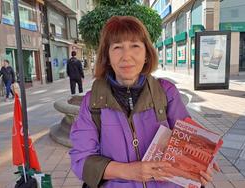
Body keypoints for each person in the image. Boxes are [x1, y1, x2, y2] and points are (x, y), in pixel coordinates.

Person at [69, 16, 219, 188]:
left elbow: (187, 141)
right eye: (117, 47)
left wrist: (199, 162)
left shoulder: (166, 92)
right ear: (107, 56)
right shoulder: (92, 102)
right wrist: (130, 171)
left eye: (135, 46)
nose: (127, 56)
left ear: (147, 54)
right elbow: (81, 161)